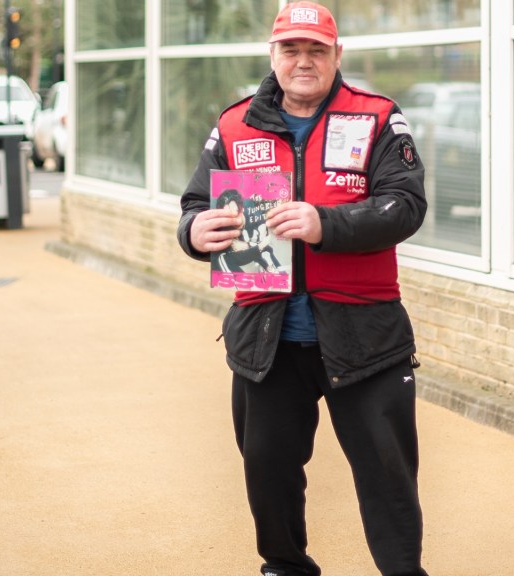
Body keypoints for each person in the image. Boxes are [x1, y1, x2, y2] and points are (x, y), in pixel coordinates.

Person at [177, 3, 429, 575]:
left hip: (365, 339)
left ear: (336, 55)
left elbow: (406, 206)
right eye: (291, 49)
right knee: (268, 471)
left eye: (316, 50)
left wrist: (326, 224)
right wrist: (195, 230)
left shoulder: (377, 119)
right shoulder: (234, 125)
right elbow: (194, 206)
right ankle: (285, 567)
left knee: (388, 477)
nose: (303, 61)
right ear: (274, 55)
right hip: (267, 341)